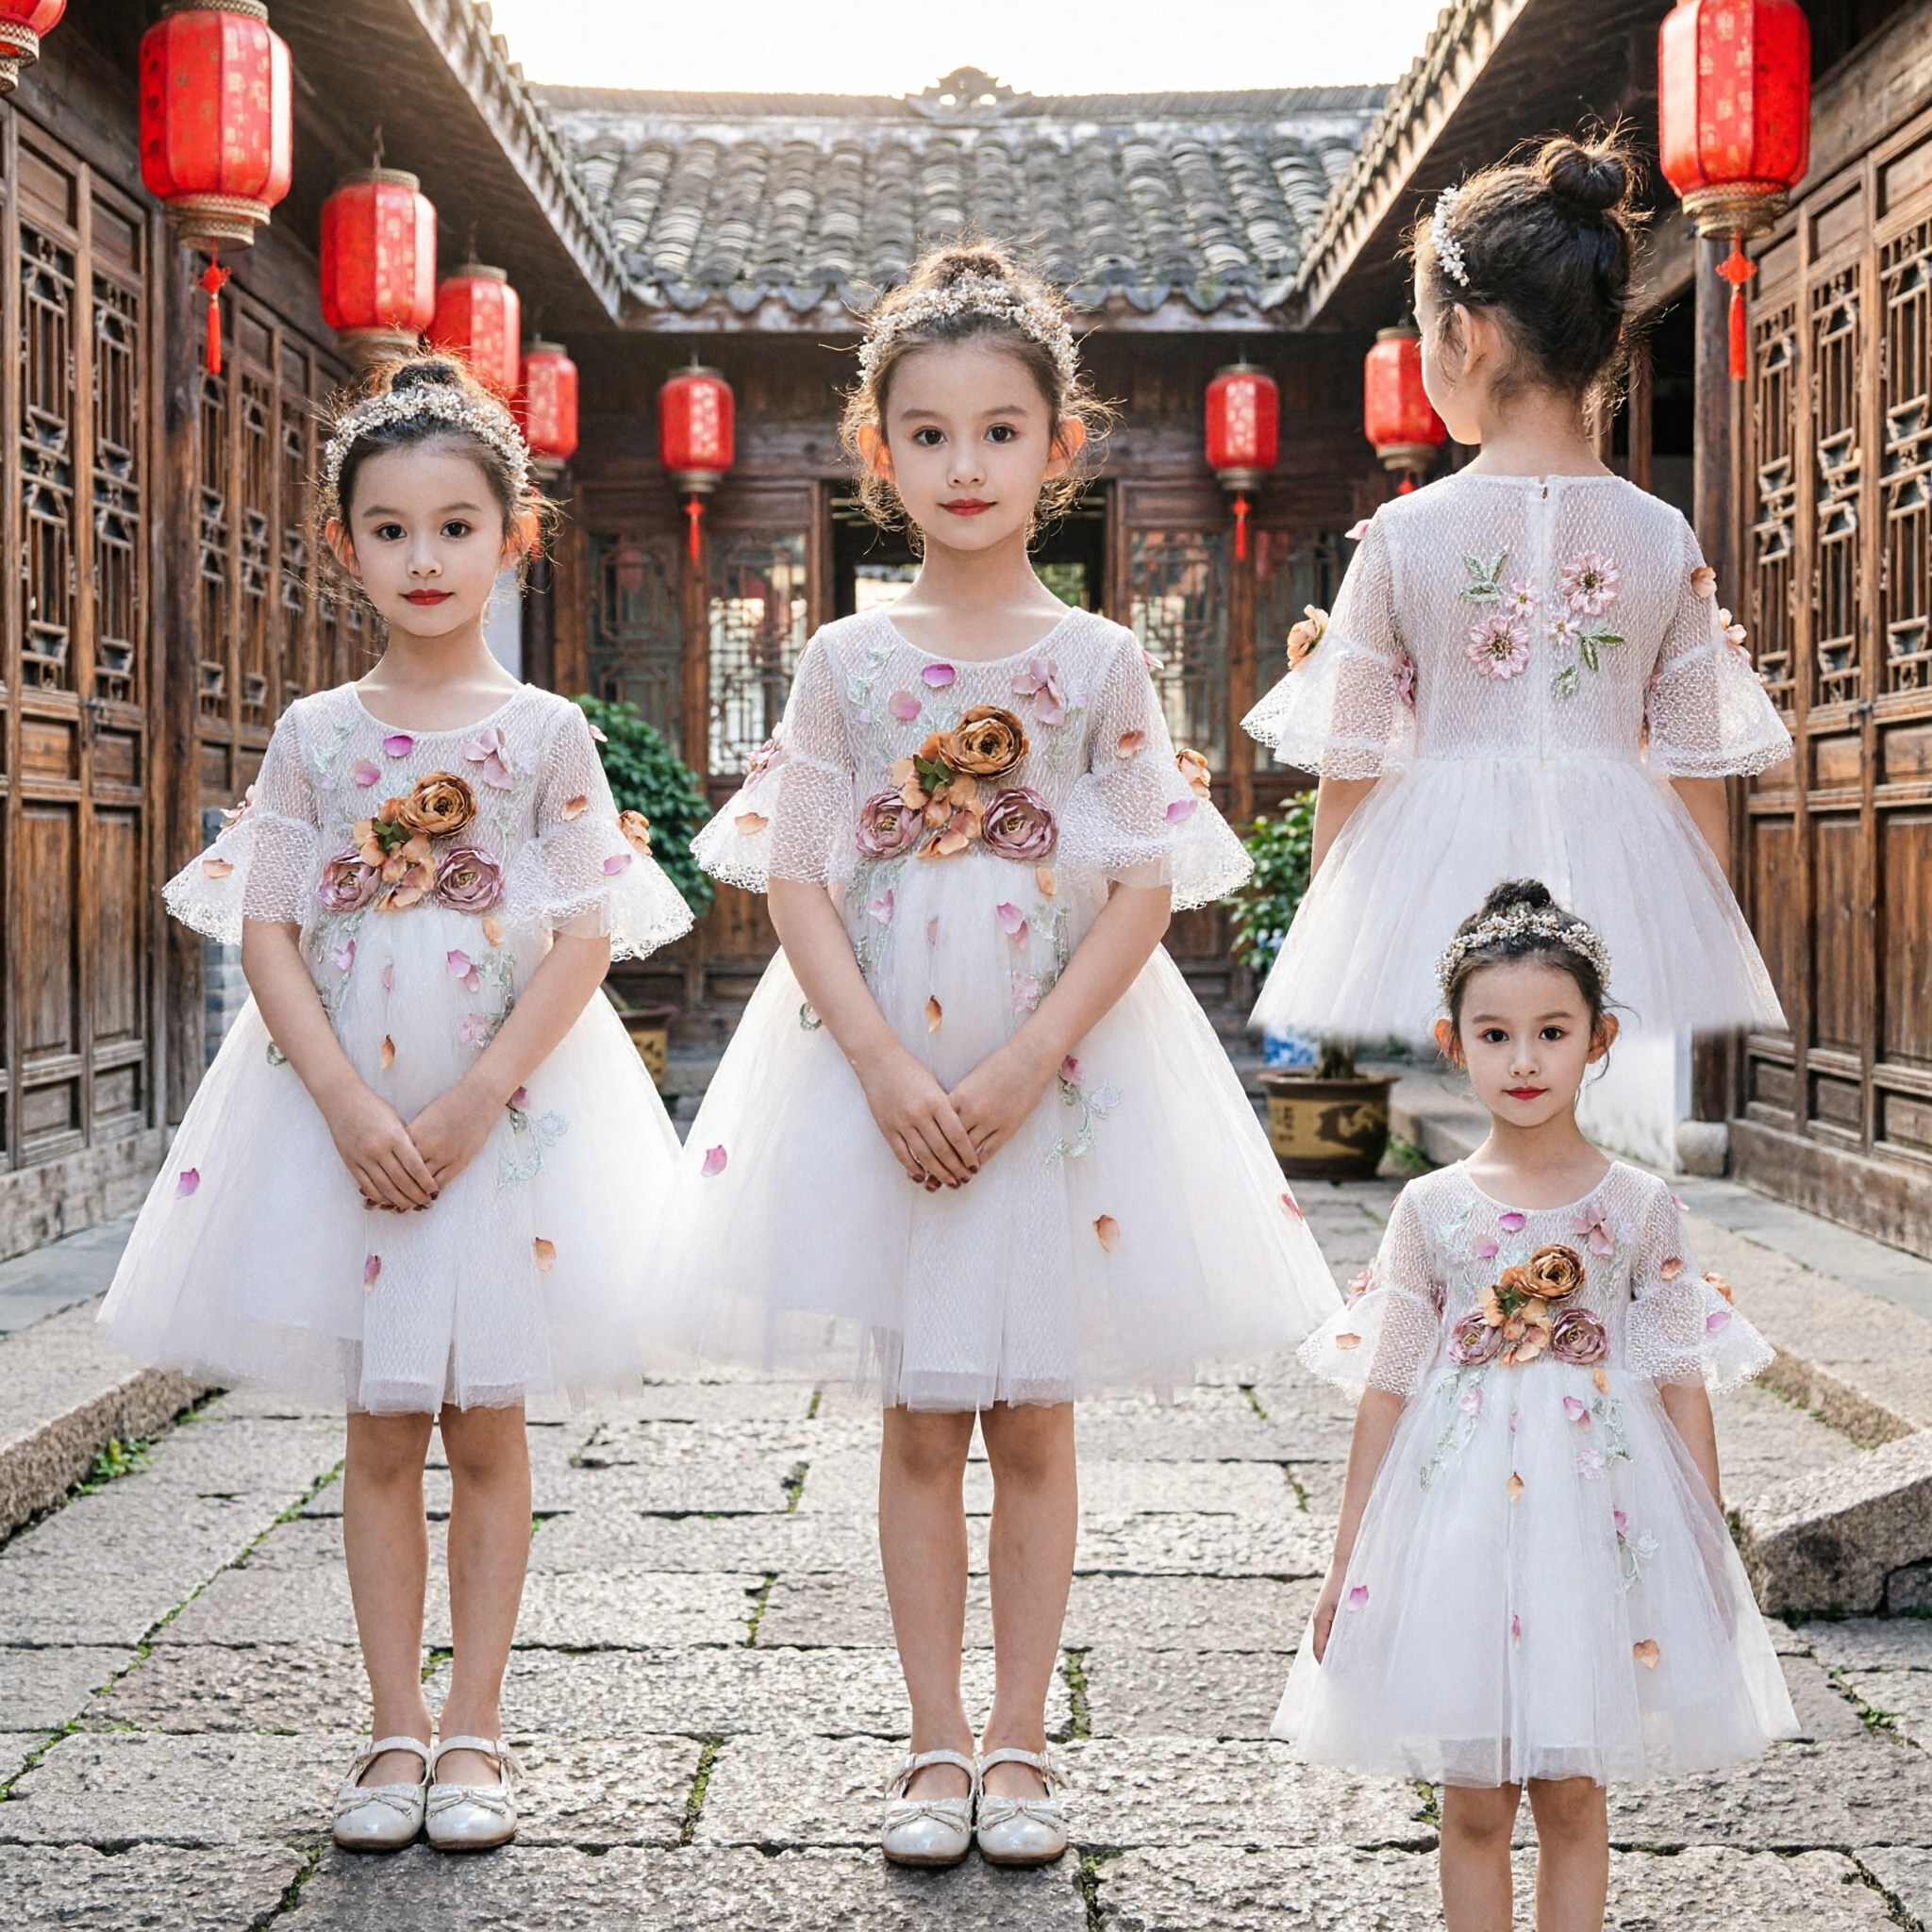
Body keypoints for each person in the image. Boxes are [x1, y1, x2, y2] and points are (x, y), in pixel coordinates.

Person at [641, 242, 1340, 1869]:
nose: (967, 463)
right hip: (872, 1055)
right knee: (913, 1413)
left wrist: (1025, 1061)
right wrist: (880, 1059)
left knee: (1030, 1409)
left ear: (1058, 448)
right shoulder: (843, 662)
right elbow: (798, 869)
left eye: (1000, 429)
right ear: (875, 454)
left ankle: (1021, 1740)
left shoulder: (1097, 663)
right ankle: (930, 1738)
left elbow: (1143, 881)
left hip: (1059, 1066)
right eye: (930, 432)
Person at [98, 357, 693, 1854]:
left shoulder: (549, 733)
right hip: (340, 1109)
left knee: (486, 1425)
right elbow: (269, 928)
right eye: (389, 529)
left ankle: (477, 1730)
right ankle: (388, 1732)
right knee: (377, 1430)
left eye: (453, 526)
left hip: (506, 1113)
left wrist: (482, 1093)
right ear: (343, 543)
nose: (423, 559)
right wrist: (348, 1099)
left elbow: (584, 931)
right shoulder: (314, 735)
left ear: (513, 537)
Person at [1278, 879, 1796, 1932]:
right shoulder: (1428, 1207)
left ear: (1595, 1038)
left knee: (1570, 1792)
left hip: (1591, 1523)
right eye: (1495, 1032)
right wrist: (1346, 1565)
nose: (1522, 1059)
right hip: (1458, 1527)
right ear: (1450, 1040)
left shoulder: (1638, 1205)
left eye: (1550, 1032)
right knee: (1472, 1798)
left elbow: (1676, 1382)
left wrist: (1707, 1550)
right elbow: (1383, 1391)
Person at [1244, 132, 1791, 1056]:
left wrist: (1325, 926)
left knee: (1491, 1057)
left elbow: (1350, 764)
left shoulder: (1403, 534)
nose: (1427, 353)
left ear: (1468, 334)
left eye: (1425, 332)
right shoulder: (1661, 536)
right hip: (1621, 857)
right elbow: (1696, 772)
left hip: (1438, 859)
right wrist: (1703, 923)